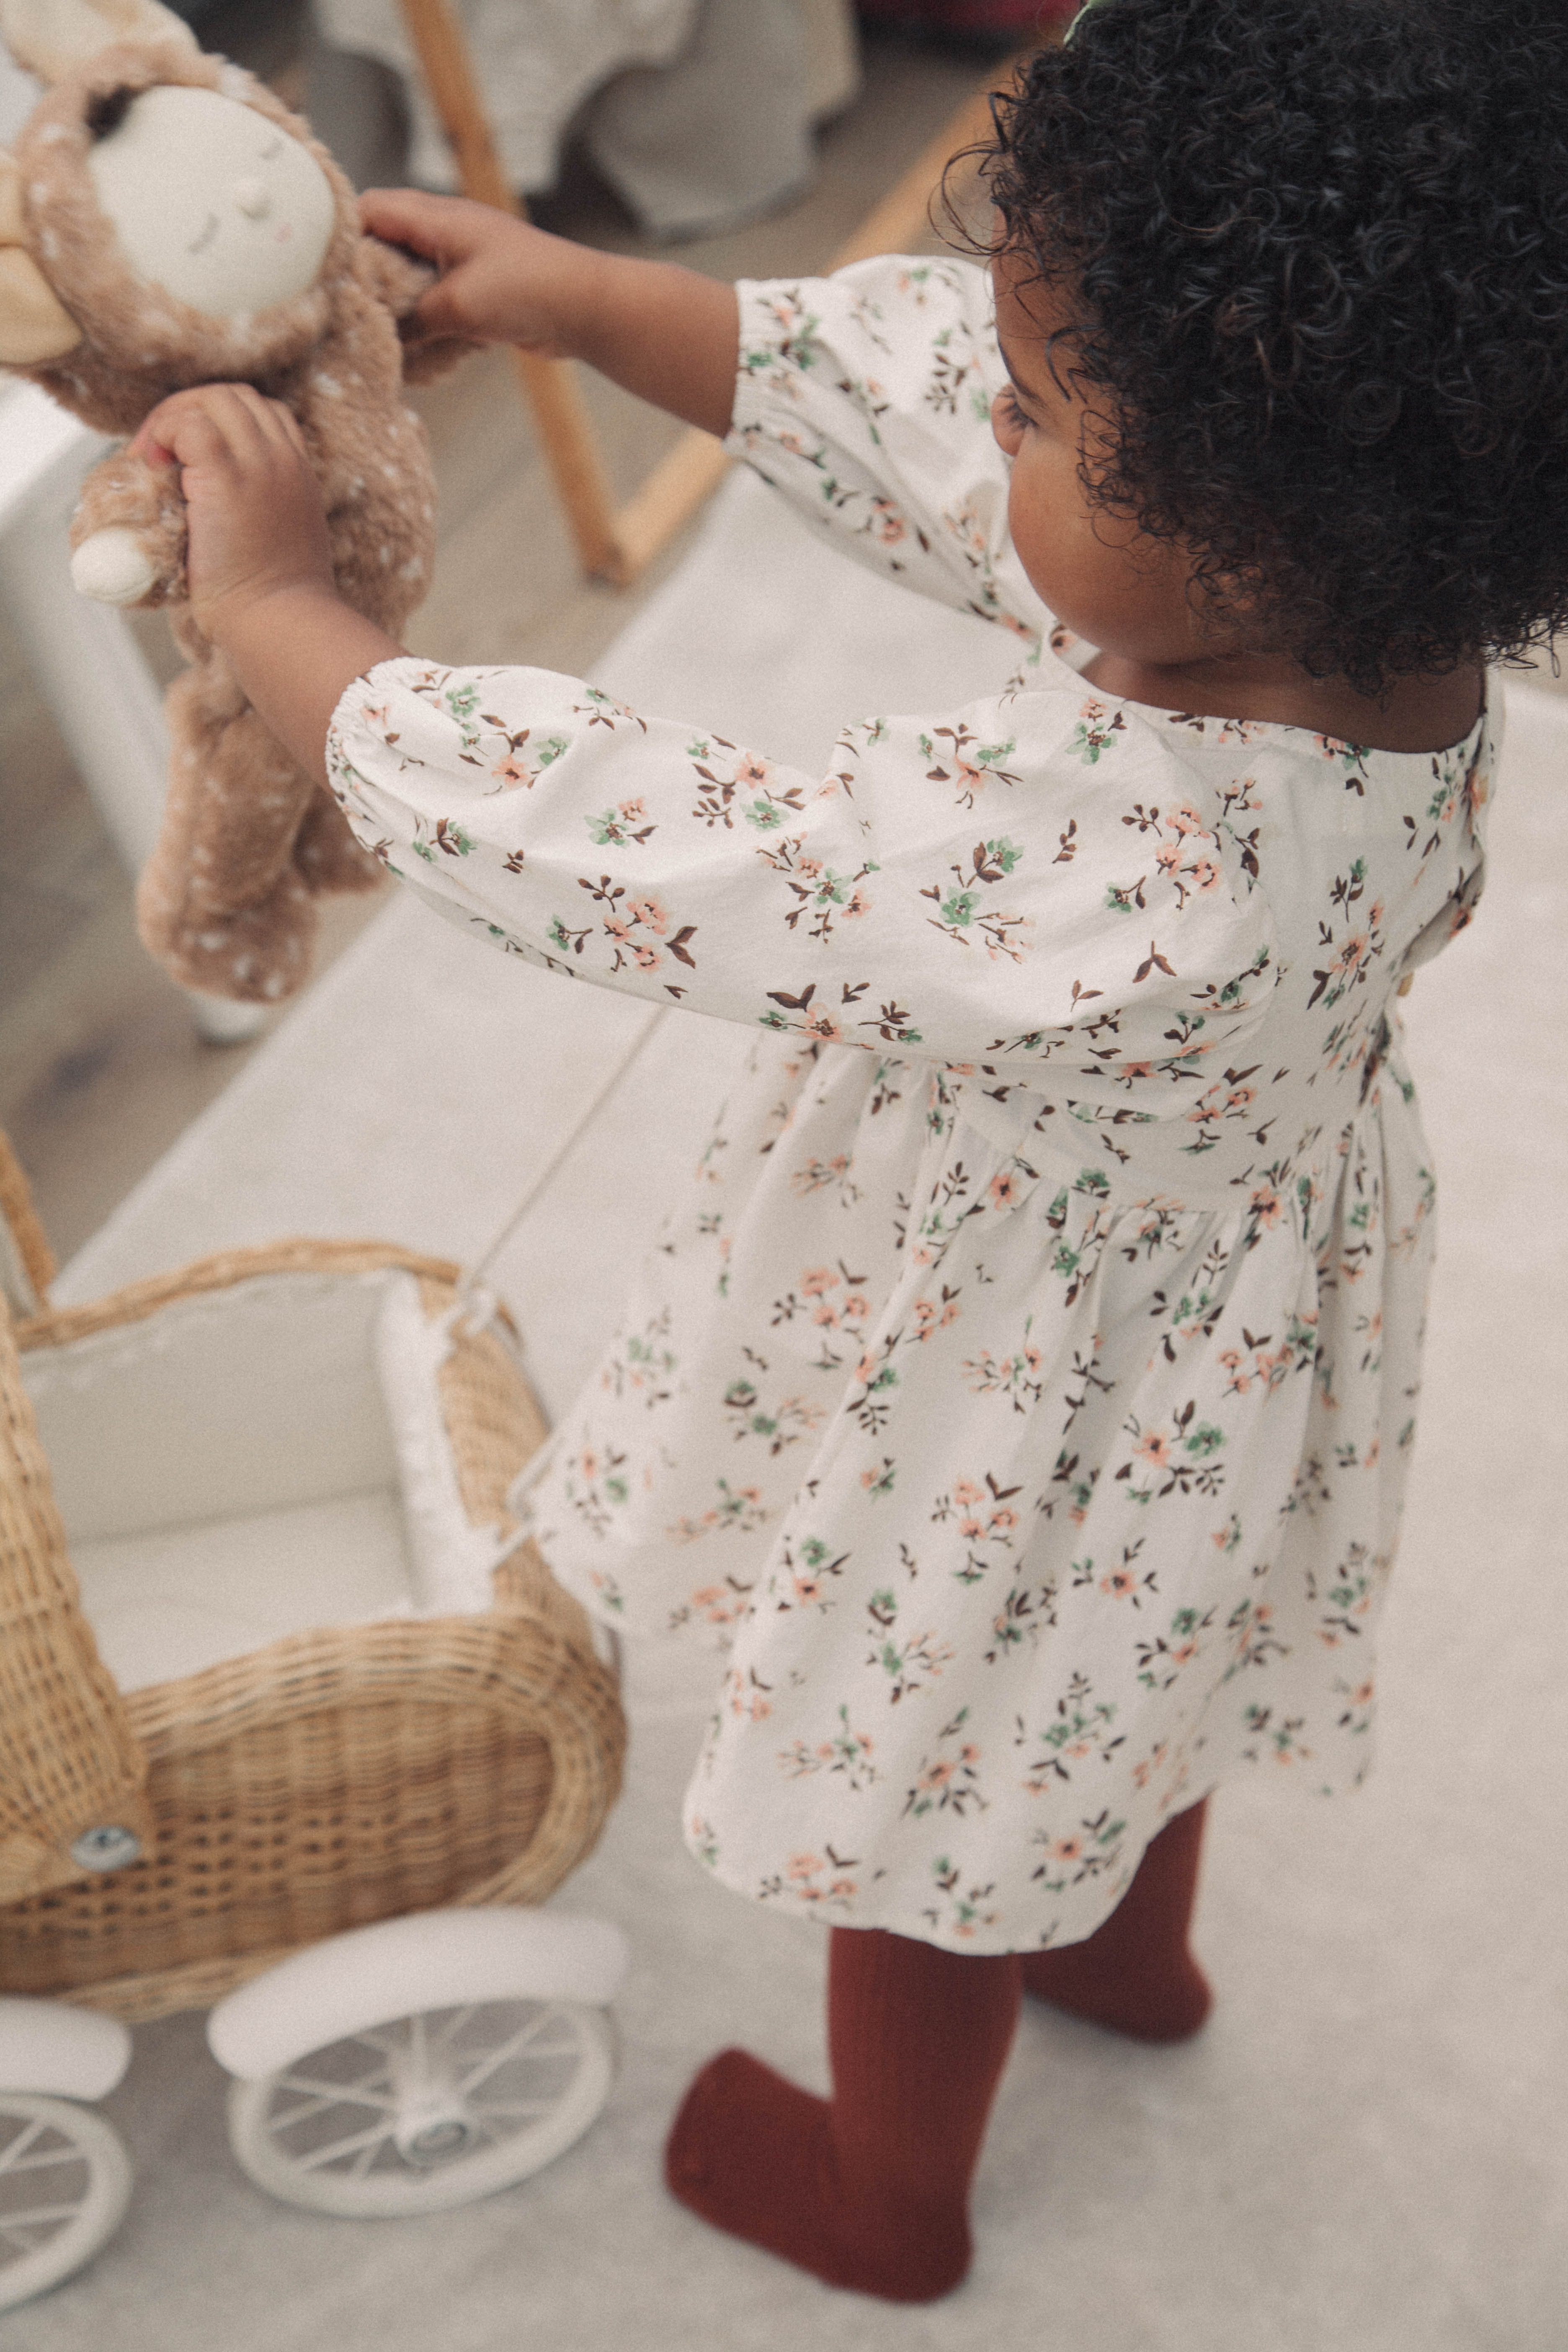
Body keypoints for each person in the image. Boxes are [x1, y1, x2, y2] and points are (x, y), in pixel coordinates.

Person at [127, 0, 1568, 2303]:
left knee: (934, 1795)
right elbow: (909, 407)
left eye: (1037, 410)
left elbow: (634, 838)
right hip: (1220, 1334)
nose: (974, 418)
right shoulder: (1363, 626)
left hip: (1022, 1369)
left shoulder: (1131, 867)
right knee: (1131, 1664)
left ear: (1252, 523)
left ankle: (889, 2199)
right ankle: (1130, 1957)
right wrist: (594, 298)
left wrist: (290, 617)